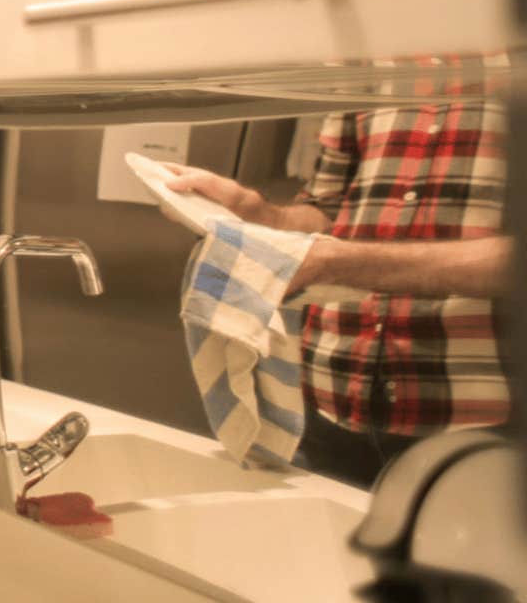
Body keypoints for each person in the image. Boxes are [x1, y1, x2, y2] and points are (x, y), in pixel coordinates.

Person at [165, 98, 512, 488]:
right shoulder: (369, 70)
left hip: (489, 425)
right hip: (330, 399)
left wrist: (336, 260)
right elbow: (330, 209)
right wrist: (257, 214)